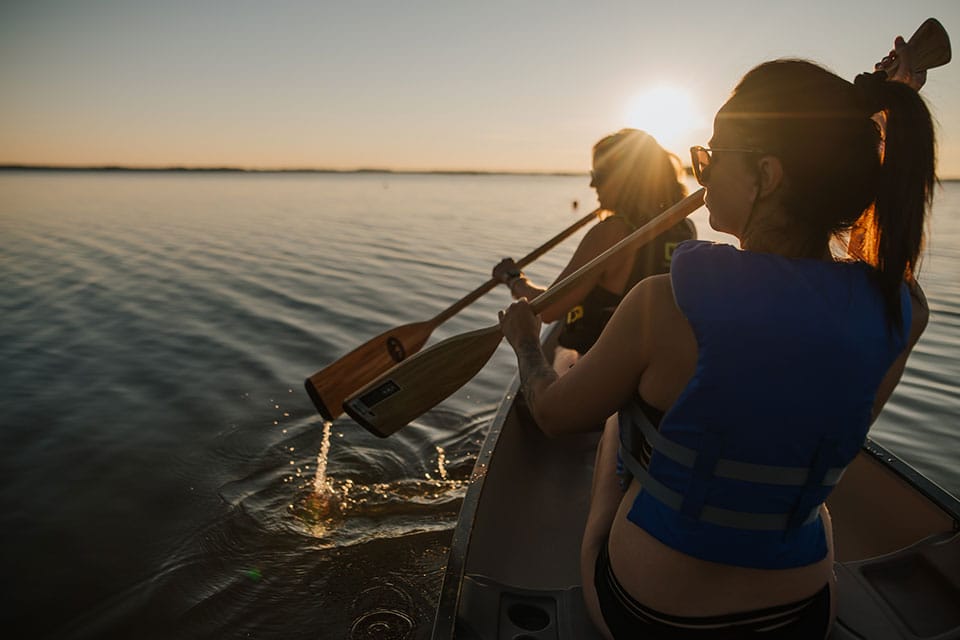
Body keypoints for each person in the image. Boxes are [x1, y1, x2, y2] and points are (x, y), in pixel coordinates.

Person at [497, 42, 935, 640]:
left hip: (651, 615)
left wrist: (526, 341)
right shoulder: (902, 312)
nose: (701, 174)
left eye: (712, 157)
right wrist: (870, 121)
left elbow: (548, 414)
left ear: (766, 174)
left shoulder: (662, 305)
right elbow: (865, 270)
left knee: (615, 426)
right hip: (799, 616)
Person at [493, 129, 695, 357]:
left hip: (609, 368)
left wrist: (513, 279)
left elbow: (548, 309)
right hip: (659, 359)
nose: (591, 185)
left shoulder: (611, 233)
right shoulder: (683, 226)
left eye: (598, 175)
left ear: (626, 179)